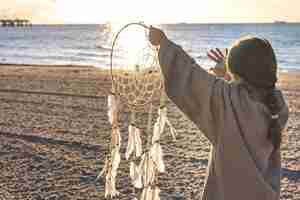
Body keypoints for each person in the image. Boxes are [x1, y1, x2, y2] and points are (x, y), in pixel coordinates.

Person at [149, 26, 289, 200]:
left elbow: (190, 75)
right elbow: (249, 96)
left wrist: (164, 43)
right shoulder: (278, 106)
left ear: (238, 73)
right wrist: (231, 75)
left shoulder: (225, 101)